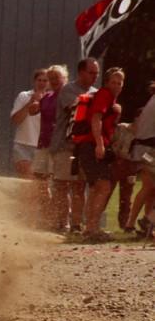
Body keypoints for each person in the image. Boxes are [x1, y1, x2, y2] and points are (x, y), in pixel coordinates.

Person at [49, 58, 99, 233]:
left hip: (84, 147)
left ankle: (77, 224)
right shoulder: (68, 90)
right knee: (62, 185)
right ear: (81, 72)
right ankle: (62, 222)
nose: (95, 76)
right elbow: (78, 107)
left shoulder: (96, 92)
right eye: (91, 72)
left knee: (79, 186)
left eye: (96, 73)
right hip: (64, 145)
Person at [74, 67, 124, 242]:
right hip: (92, 145)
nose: (117, 85)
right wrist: (100, 145)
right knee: (104, 186)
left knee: (97, 187)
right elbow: (96, 118)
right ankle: (92, 228)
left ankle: (90, 228)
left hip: (90, 145)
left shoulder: (111, 99)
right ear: (106, 83)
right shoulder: (104, 95)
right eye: (113, 82)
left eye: (120, 82)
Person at [10, 68, 49, 226]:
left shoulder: (51, 99)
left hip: (41, 148)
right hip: (23, 146)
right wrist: (30, 103)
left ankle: (43, 221)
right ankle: (26, 220)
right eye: (39, 80)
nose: (42, 83)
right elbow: (15, 120)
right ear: (34, 81)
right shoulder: (23, 96)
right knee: (29, 183)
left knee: (42, 189)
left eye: (45, 80)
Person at [33, 64, 69, 229]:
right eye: (51, 78)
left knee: (60, 184)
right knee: (41, 183)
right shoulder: (46, 97)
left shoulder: (67, 96)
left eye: (57, 77)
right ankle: (50, 217)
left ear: (65, 79)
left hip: (60, 145)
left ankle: (64, 221)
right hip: (43, 143)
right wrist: (34, 104)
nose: (53, 81)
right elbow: (33, 111)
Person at [125, 87, 155, 235]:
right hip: (148, 151)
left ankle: (135, 223)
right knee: (149, 187)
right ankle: (148, 220)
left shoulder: (152, 99)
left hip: (144, 150)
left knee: (149, 188)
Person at [110, 108, 140, 232]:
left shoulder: (143, 135)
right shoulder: (122, 128)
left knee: (126, 198)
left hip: (131, 166)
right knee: (106, 192)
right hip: (115, 163)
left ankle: (125, 224)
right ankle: (95, 222)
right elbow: (112, 142)